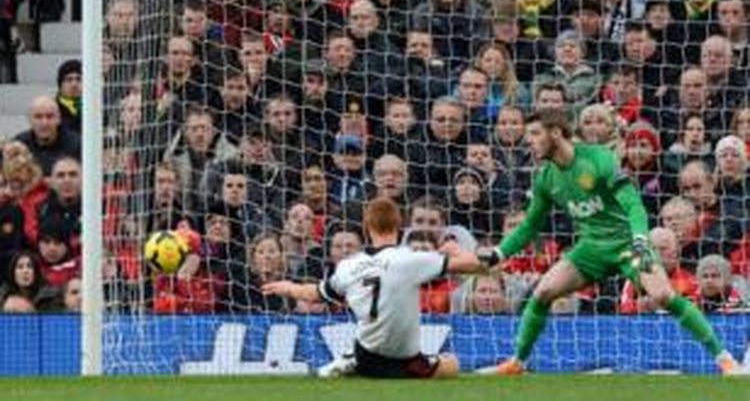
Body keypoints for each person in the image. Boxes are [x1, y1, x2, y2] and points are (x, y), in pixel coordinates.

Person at [479, 109, 741, 375]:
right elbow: (529, 226)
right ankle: (518, 362)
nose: (529, 140)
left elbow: (633, 203)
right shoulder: (546, 177)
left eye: (535, 133)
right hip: (591, 248)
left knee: (663, 294)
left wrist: (640, 237)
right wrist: (500, 253)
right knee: (543, 292)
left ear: (556, 133)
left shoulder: (598, 159)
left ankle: (724, 358)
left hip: (628, 244)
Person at [263, 197, 484, 379]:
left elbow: (314, 295)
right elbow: (474, 264)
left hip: (367, 356)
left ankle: (351, 359)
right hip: (406, 361)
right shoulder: (410, 259)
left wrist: (289, 286)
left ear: (367, 229)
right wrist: (454, 249)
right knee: (452, 364)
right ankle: (352, 360)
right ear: (399, 227)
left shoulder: (350, 265)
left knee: (366, 346)